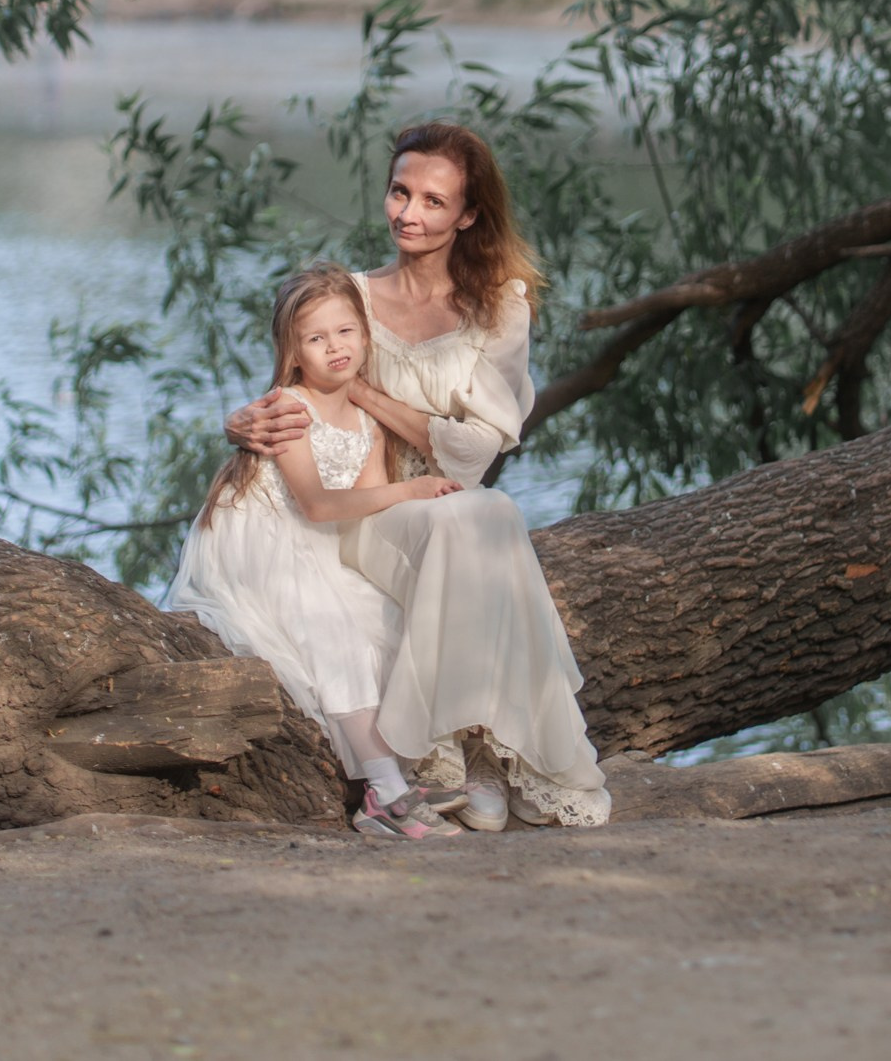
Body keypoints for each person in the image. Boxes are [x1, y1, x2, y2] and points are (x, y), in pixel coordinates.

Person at [227, 121, 611, 830]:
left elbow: (472, 458)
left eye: (435, 201)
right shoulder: (356, 298)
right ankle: (451, 754)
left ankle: (484, 752)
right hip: (367, 510)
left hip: (446, 508)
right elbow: (293, 382)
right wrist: (239, 420)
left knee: (484, 510)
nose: (410, 213)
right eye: (401, 192)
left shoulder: (502, 305)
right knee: (480, 516)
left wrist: (372, 397)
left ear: (468, 214)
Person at [170, 263, 470, 839]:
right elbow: (316, 504)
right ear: (293, 351)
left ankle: (400, 771)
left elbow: (362, 498)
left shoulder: (367, 418)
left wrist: (413, 501)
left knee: (384, 618)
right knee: (331, 627)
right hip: (258, 539)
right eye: (316, 338)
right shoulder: (289, 407)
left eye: (345, 332)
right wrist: (412, 488)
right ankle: (383, 795)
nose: (335, 347)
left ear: (364, 334)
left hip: (315, 541)